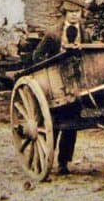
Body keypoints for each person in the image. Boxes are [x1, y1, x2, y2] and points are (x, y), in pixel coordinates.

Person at [30, 12, 84, 176]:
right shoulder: (53, 33)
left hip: (77, 83)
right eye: (71, 12)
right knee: (53, 124)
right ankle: (46, 156)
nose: (74, 15)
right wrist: (48, 70)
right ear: (66, 13)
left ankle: (63, 162)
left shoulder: (85, 32)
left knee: (72, 126)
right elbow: (37, 55)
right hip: (55, 84)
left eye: (78, 12)